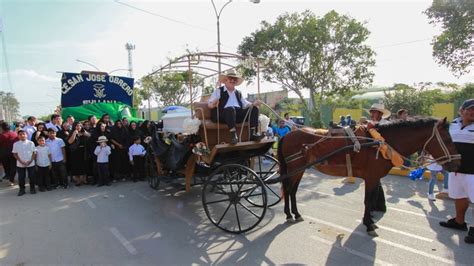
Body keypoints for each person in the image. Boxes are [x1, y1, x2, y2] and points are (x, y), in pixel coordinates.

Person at [439, 99, 474, 244]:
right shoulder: (452, 125)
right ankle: (459, 222)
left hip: (473, 172)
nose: (472, 112)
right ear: (461, 111)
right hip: (456, 170)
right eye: (470, 109)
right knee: (459, 196)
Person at [207, 69, 263, 144]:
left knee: (254, 109)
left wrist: (254, 104)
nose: (233, 81)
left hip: (237, 115)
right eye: (230, 78)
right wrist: (213, 103)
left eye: (234, 79)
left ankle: (252, 134)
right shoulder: (218, 91)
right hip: (223, 114)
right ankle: (233, 135)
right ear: (226, 80)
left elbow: (246, 104)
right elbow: (209, 105)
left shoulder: (238, 93)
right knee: (230, 109)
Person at [12, 130, 36, 196]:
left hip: (30, 163)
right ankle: (22, 190)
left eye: (24, 134)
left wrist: (31, 160)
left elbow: (34, 152)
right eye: (20, 134)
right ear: (18, 136)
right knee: (21, 177)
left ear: (26, 135)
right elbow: (15, 154)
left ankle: (32, 188)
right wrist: (21, 161)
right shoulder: (16, 144)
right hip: (20, 164)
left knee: (32, 176)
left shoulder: (31, 143)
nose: (22, 135)